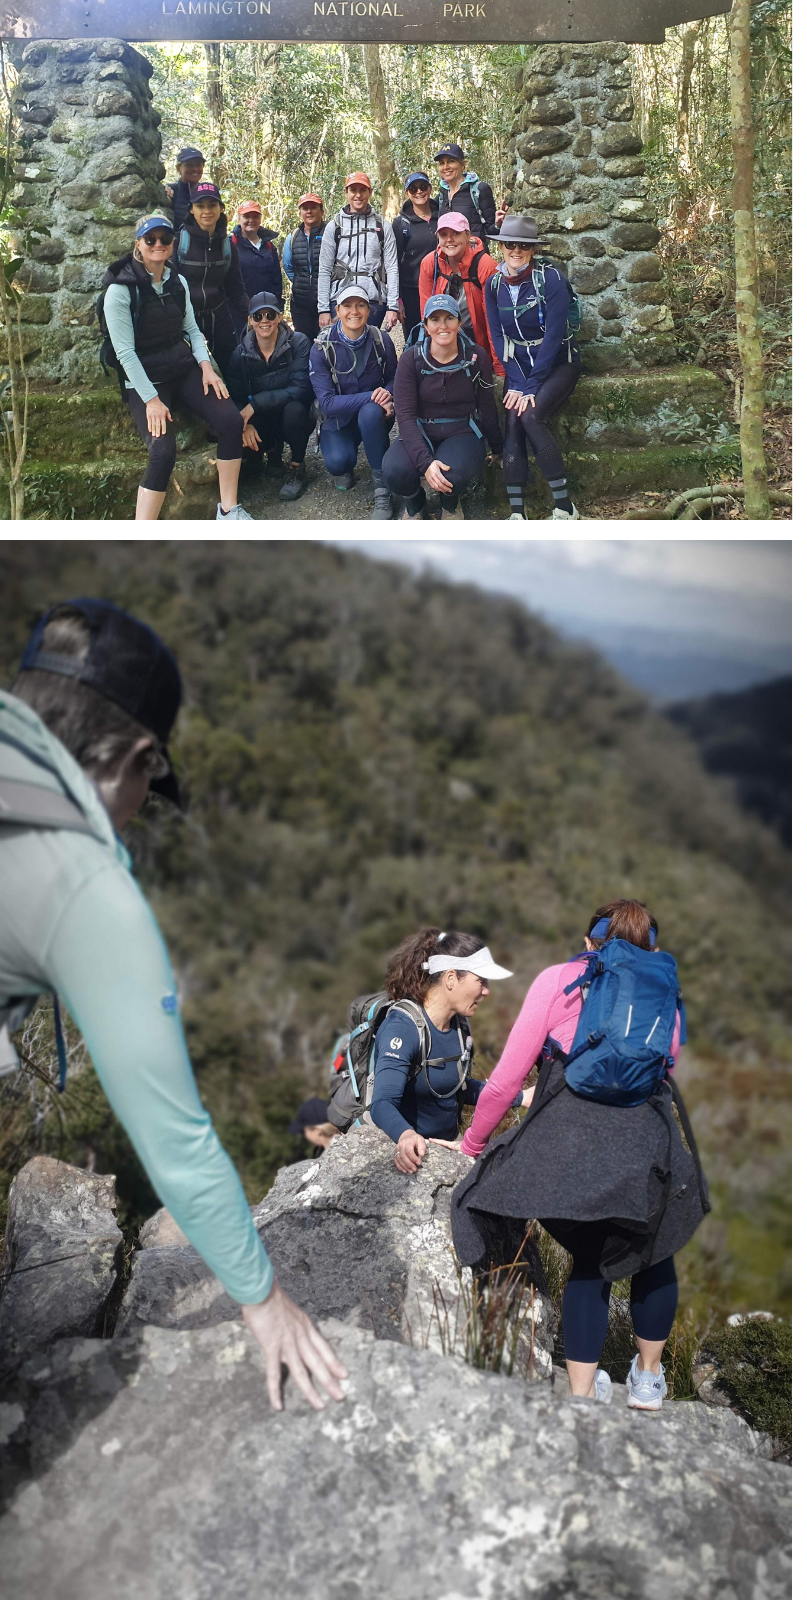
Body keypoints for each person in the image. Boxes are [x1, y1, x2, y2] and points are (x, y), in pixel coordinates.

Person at [0, 600, 346, 1410]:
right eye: (148, 790)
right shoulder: (85, 885)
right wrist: (263, 1300)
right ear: (139, 759)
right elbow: (179, 1142)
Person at [451, 899, 705, 1411]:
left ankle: (582, 1396)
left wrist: (472, 1145)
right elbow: (668, 1059)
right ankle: (649, 1381)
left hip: (569, 1133)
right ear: (649, 946)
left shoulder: (558, 979)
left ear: (592, 941)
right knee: (656, 1252)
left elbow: (505, 1082)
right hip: (643, 1132)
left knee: (591, 1259)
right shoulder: (662, 986)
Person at [100, 213, 250, 521]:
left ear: (172, 244)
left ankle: (229, 510)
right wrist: (151, 401)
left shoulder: (177, 281)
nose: (158, 244)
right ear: (138, 245)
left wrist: (207, 367)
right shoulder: (120, 290)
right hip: (145, 380)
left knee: (231, 422)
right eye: (150, 239)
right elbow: (125, 353)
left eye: (165, 239)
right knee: (162, 451)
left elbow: (193, 331)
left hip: (182, 369)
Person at [360, 929, 522, 1176]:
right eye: (481, 981)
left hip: (448, 1149)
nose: (487, 991)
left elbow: (458, 1086)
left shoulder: (458, 1026)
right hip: (411, 1152)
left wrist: (519, 1096)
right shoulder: (402, 1028)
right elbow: (382, 1103)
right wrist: (405, 1135)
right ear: (450, 978)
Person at [487, 215, 581, 520]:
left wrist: (531, 385)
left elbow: (554, 336)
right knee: (512, 420)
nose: (516, 250)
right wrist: (515, 379)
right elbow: (497, 335)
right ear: (501, 247)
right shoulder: (494, 284)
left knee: (530, 416)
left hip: (557, 363)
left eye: (523, 246)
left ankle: (565, 508)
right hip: (519, 367)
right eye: (510, 244)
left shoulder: (550, 278)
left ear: (532, 249)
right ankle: (518, 513)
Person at [382, 295, 502, 519]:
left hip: (461, 430)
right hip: (421, 428)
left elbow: (486, 406)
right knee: (395, 471)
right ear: (426, 326)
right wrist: (426, 463)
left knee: (453, 473)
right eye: (435, 319)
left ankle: (449, 504)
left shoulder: (476, 357)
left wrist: (497, 447)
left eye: (449, 318)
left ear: (459, 323)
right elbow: (405, 416)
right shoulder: (411, 359)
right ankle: (415, 504)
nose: (443, 326)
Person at [309, 283, 398, 514]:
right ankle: (344, 452)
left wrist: (387, 394)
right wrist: (373, 395)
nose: (354, 312)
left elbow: (394, 379)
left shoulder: (381, 340)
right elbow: (327, 402)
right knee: (338, 463)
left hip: (374, 417)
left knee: (370, 412)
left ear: (369, 311)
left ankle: (382, 489)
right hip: (337, 419)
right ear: (337, 311)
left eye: (360, 305)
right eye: (347, 306)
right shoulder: (322, 347)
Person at [227, 291, 314, 501]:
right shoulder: (240, 355)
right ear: (250, 320)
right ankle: (272, 453)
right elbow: (236, 396)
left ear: (279, 317)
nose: (264, 321)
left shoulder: (298, 343)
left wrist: (256, 403)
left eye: (270, 315)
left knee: (295, 410)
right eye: (258, 316)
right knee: (238, 436)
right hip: (262, 418)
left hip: (293, 413)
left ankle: (297, 466)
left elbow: (301, 389)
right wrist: (244, 424)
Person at [174, 182, 250, 359]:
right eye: (200, 206)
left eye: (212, 205)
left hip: (218, 319)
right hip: (185, 321)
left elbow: (236, 291)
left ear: (221, 208)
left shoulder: (228, 247)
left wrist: (255, 315)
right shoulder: (178, 244)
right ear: (192, 209)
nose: (206, 211)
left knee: (232, 369)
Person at [317, 173, 400, 335]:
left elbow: (392, 267)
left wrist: (392, 306)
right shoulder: (334, 226)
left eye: (363, 190)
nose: (358, 195)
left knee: (370, 350)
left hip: (373, 299)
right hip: (340, 299)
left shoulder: (382, 226)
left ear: (370, 192)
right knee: (341, 351)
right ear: (346, 192)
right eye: (353, 190)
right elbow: (325, 269)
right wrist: (323, 309)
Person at [418, 213, 498, 365]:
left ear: (468, 235)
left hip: (476, 339)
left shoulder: (485, 266)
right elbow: (426, 312)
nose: (449, 239)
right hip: (442, 335)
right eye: (443, 234)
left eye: (456, 233)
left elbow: (493, 321)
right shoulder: (430, 263)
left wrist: (496, 365)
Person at [393, 172, 440, 332]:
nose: (419, 192)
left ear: (430, 189)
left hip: (441, 286)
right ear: (407, 193)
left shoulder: (442, 217)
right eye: (413, 189)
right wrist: (398, 300)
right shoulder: (401, 224)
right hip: (412, 291)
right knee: (415, 339)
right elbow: (394, 262)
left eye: (423, 187)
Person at [282, 194, 327, 337]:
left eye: (313, 207)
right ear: (300, 212)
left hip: (326, 304)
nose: (309, 212)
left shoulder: (331, 233)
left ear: (321, 211)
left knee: (327, 345)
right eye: (305, 208)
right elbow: (288, 266)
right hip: (301, 305)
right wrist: (301, 282)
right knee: (303, 342)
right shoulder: (293, 236)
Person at [433, 143, 498, 242]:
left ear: (462, 165)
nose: (445, 167)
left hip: (474, 254)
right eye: (442, 163)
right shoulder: (442, 195)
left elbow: (491, 231)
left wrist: (498, 225)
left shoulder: (479, 190)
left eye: (451, 161)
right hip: (449, 255)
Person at [231, 201, 283, 312]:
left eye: (255, 217)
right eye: (246, 216)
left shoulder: (268, 246)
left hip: (266, 310)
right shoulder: (231, 245)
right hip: (238, 311)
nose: (251, 220)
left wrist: (277, 305)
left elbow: (276, 279)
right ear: (239, 219)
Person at [168, 146, 206, 229]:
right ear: (178, 168)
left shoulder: (206, 193)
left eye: (198, 165)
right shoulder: (170, 191)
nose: (195, 169)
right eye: (189, 165)